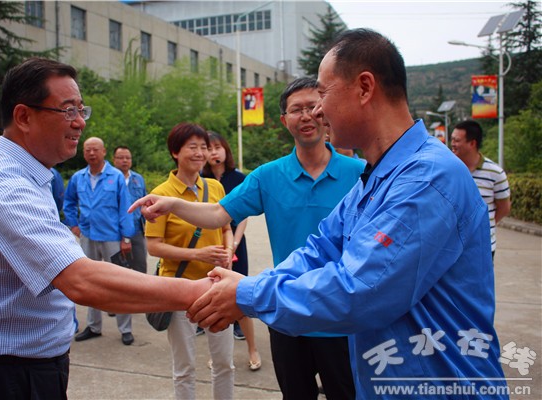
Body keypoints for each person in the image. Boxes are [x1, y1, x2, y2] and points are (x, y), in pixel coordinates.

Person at [139, 29, 509, 399]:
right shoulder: (374, 178)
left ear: (364, 88)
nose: (316, 112)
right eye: (300, 107)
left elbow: (361, 290)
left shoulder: (425, 179)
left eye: (323, 94)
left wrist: (247, 293)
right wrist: (239, 289)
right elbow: (319, 249)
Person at [0, 57, 210, 400]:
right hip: (1, 378)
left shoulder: (29, 174)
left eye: (82, 110)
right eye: (68, 110)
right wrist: (202, 291)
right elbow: (82, 280)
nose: (80, 122)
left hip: (24, 368)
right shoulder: (5, 185)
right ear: (23, 117)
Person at [132, 77, 365, 399]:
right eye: (296, 110)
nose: (306, 116)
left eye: (313, 107)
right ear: (284, 120)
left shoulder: (360, 173)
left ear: (325, 111)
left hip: (341, 317)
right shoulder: (268, 175)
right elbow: (218, 214)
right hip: (286, 312)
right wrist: (172, 204)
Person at [144, 122, 235, 400]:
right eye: (192, 147)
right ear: (175, 152)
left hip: (216, 284)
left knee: (224, 363)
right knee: (184, 367)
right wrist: (197, 254)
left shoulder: (215, 187)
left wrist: (228, 252)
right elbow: (153, 247)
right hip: (179, 287)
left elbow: (226, 227)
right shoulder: (161, 193)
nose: (199, 153)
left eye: (203, 147)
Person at [64, 137, 137, 346]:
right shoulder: (78, 177)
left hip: (112, 237)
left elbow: (125, 209)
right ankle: (94, 326)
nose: (91, 153)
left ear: (104, 152)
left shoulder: (116, 177)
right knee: (89, 283)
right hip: (88, 236)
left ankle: (125, 329)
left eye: (95, 149)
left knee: (119, 283)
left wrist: (126, 237)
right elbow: (69, 202)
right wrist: (74, 225)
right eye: (87, 150)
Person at [202, 131, 262, 371]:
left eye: (217, 147)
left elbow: (243, 216)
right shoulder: (203, 180)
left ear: (226, 150)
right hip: (212, 244)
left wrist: (234, 244)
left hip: (236, 242)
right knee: (213, 295)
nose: (213, 152)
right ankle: (218, 352)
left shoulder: (238, 178)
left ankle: (252, 348)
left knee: (241, 293)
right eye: (209, 148)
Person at [451, 119, 511, 258]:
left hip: (483, 247)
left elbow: (504, 208)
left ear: (472, 143)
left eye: (457, 140)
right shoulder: (449, 170)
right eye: (452, 139)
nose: (452, 144)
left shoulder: (495, 173)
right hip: (452, 248)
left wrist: (484, 225)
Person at [113, 145, 149, 274]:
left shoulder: (138, 179)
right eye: (121, 158)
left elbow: (145, 202)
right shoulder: (109, 179)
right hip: (115, 232)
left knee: (141, 267)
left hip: (137, 230)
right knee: (120, 271)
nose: (125, 160)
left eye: (128, 158)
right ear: (114, 160)